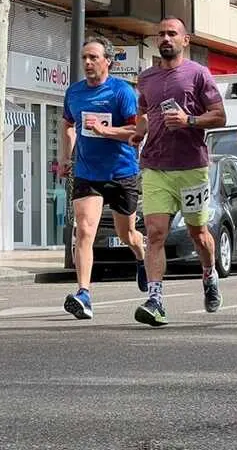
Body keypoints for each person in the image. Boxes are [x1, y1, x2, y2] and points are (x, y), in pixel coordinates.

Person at [129, 17, 227, 327]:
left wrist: (190, 121)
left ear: (185, 40)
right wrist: (138, 133)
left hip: (191, 167)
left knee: (199, 233)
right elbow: (144, 113)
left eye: (172, 34)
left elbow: (220, 116)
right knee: (155, 234)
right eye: (161, 34)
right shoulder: (146, 78)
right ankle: (156, 300)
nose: (166, 38)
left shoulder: (198, 74)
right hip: (155, 166)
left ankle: (209, 275)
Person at [60, 37, 147, 320]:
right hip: (87, 172)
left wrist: (105, 131)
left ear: (107, 61)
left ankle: (140, 256)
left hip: (121, 172)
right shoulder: (74, 93)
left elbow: (136, 133)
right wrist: (65, 157)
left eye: (93, 57)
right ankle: (84, 294)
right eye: (84, 57)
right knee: (84, 231)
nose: (87, 63)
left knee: (127, 234)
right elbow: (68, 125)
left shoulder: (122, 92)